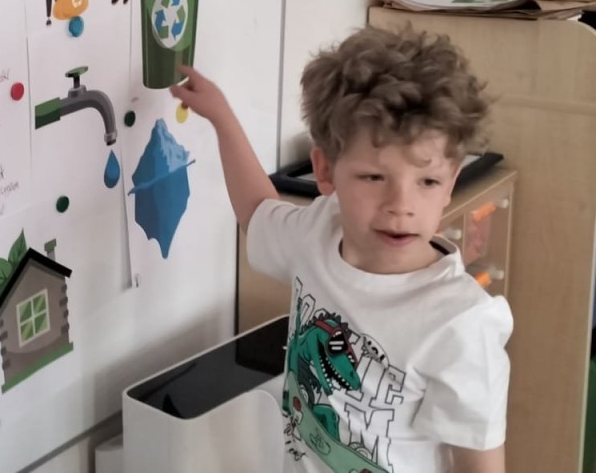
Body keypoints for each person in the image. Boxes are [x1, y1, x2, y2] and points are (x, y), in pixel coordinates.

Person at [171, 27, 511, 473]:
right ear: (326, 171)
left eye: (427, 181)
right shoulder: (318, 232)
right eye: (374, 177)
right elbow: (256, 212)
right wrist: (222, 117)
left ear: (450, 185)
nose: (401, 205)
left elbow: (479, 466)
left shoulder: (462, 324)